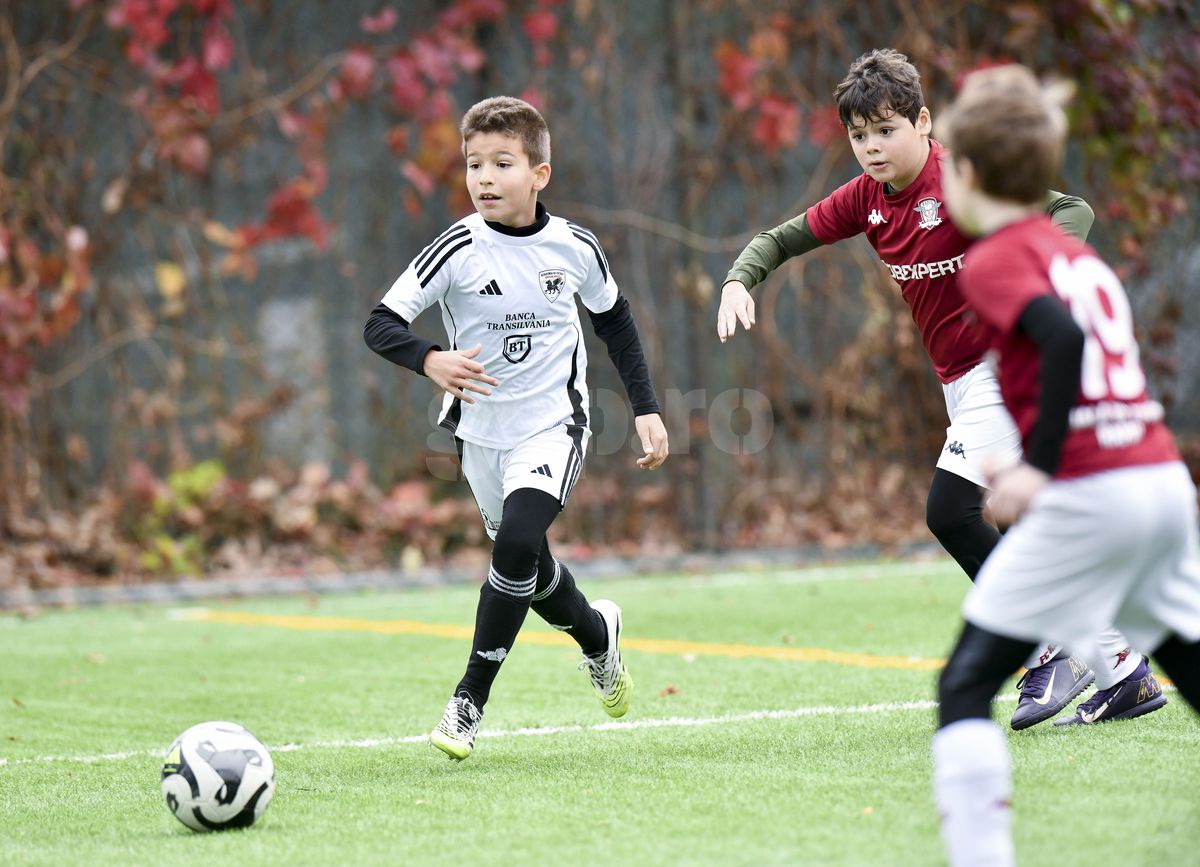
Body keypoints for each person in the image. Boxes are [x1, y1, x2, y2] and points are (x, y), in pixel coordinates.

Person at [716, 47, 1162, 729]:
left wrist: (1037, 271)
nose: (871, 147)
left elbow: (1072, 209)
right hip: (959, 384)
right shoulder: (866, 199)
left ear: (925, 122)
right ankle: (1122, 668)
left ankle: (1049, 641)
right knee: (1019, 523)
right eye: (859, 135)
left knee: (951, 512)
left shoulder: (960, 180)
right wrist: (738, 281)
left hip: (1001, 370)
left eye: (886, 130)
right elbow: (778, 240)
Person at [931, 63, 1200, 867]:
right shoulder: (1074, 255)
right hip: (1157, 483)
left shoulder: (992, 261)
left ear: (972, 176)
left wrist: (1039, 467)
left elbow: (1062, 340)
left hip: (1096, 496)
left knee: (965, 685)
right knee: (1185, 661)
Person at [364, 96, 669, 760]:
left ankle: (469, 698)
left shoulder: (574, 247)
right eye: (474, 164)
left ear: (540, 173)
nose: (484, 178)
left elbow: (613, 319)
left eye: (502, 163)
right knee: (526, 570)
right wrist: (430, 358)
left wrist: (645, 406)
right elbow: (380, 323)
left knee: (519, 544)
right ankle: (598, 636)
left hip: (555, 424)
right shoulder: (456, 247)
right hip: (481, 436)